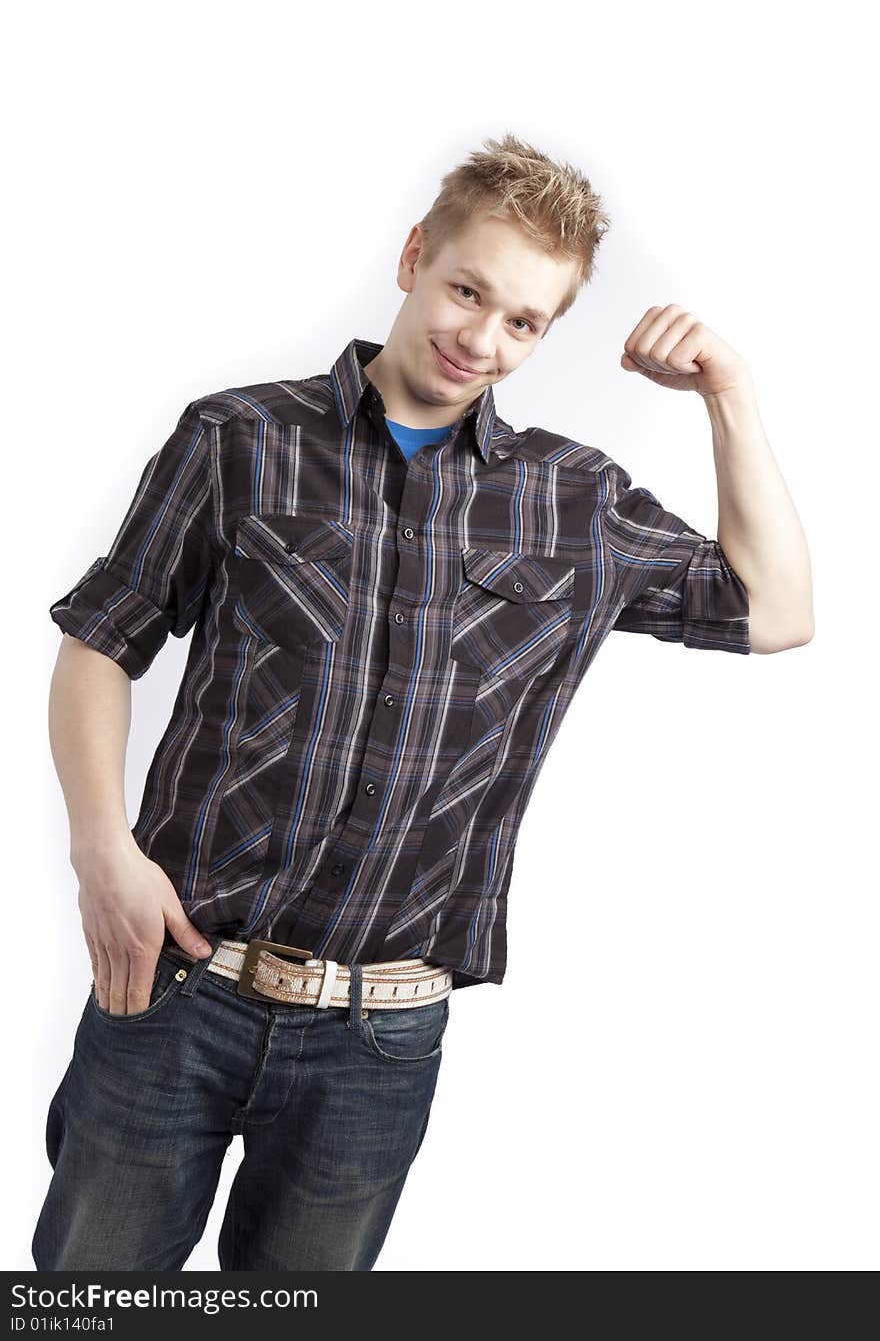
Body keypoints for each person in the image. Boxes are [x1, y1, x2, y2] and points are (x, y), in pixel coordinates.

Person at [32, 131, 814, 1272]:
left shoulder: (573, 500)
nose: (480, 339)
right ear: (412, 258)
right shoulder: (239, 438)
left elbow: (777, 611)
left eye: (522, 322)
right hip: (178, 985)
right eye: (466, 291)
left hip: (380, 1036)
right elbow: (102, 639)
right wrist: (101, 850)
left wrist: (730, 398)